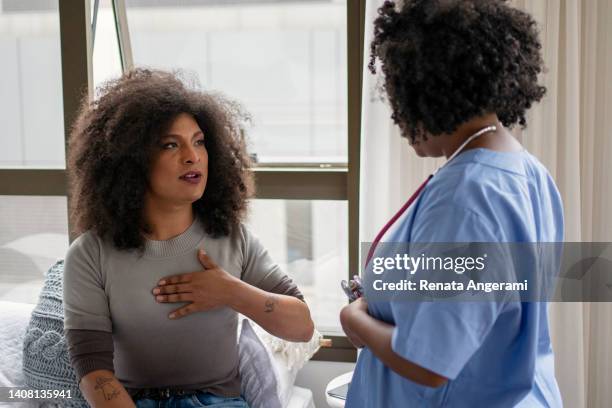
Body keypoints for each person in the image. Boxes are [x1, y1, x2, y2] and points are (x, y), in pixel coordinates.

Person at [340, 1, 564, 407]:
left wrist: (354, 318)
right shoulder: (523, 171)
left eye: (396, 92)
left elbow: (428, 362)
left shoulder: (468, 196)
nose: (397, 113)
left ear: (425, 89)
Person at [63, 68, 314, 408]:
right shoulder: (89, 255)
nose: (192, 156)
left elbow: (301, 327)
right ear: (130, 160)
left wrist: (231, 292)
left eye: (199, 142)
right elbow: (94, 371)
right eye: (171, 144)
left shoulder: (233, 239)